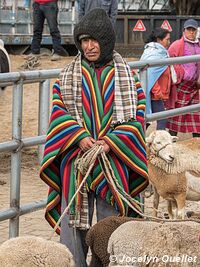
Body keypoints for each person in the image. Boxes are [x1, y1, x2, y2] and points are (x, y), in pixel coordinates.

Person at [40, 8, 148, 267]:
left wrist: (111, 142)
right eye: (83, 41)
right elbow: (58, 112)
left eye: (93, 40)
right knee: (72, 225)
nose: (88, 46)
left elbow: (138, 117)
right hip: (77, 163)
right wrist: (78, 137)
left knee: (111, 225)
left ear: (106, 41)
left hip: (114, 162)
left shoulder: (128, 77)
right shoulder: (66, 77)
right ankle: (73, 262)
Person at [167, 18, 200, 137]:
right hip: (181, 86)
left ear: (196, 31)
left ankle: (197, 143)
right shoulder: (176, 45)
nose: (191, 32)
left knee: (196, 116)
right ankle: (172, 140)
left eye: (193, 30)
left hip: (194, 87)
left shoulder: (198, 45)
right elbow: (168, 63)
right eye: (189, 30)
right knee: (176, 116)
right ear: (184, 31)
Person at [140, 27, 174, 130]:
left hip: (157, 93)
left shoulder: (161, 53)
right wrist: (157, 92)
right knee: (160, 119)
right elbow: (149, 76)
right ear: (159, 40)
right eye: (167, 39)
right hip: (154, 95)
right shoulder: (154, 54)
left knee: (147, 119)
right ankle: (159, 141)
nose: (169, 42)